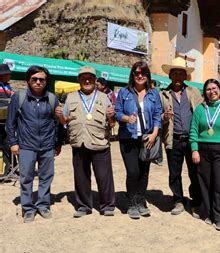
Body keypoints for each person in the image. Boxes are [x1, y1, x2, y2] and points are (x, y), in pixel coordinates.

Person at [56, 66, 116, 218]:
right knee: (81, 176)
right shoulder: (70, 97)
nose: (87, 80)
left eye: (90, 77)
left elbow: (112, 123)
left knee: (104, 177)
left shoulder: (104, 97)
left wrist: (111, 116)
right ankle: (83, 206)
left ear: (95, 81)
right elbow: (64, 121)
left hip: (99, 142)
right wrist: (60, 117)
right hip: (79, 142)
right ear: (79, 80)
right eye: (83, 78)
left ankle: (107, 206)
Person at [6, 65, 62, 223]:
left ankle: (43, 205)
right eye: (34, 79)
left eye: (41, 79)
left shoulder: (52, 98)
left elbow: (58, 123)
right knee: (26, 177)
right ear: (28, 80)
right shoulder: (19, 97)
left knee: (46, 177)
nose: (38, 82)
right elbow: (10, 123)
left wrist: (58, 143)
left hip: (47, 145)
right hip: (26, 145)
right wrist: (13, 142)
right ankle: (28, 208)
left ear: (46, 82)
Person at [190, 79, 220, 231]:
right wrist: (194, 149)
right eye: (208, 89)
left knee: (219, 184)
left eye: (215, 88)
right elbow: (194, 130)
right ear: (204, 92)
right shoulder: (200, 109)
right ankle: (207, 213)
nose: (212, 91)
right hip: (202, 150)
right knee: (204, 183)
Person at [115, 61, 162, 219]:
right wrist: (126, 118)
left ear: (148, 75)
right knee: (133, 172)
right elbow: (117, 112)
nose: (140, 76)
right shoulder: (124, 92)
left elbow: (157, 115)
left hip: (147, 138)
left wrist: (155, 134)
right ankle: (132, 203)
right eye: (137, 73)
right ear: (132, 75)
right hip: (128, 138)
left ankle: (141, 201)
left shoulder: (154, 94)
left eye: (143, 73)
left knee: (144, 172)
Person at [160, 57, 202, 216]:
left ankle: (196, 201)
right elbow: (157, 117)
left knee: (195, 172)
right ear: (170, 75)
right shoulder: (163, 95)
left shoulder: (193, 92)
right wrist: (164, 117)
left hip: (192, 140)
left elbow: (201, 114)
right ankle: (178, 200)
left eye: (180, 73)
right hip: (173, 139)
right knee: (174, 173)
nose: (177, 76)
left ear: (185, 76)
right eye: (174, 73)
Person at [0, 64, 14, 176]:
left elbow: (11, 99)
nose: (10, 75)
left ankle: (8, 169)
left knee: (7, 145)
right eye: (8, 74)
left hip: (6, 121)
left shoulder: (8, 87)